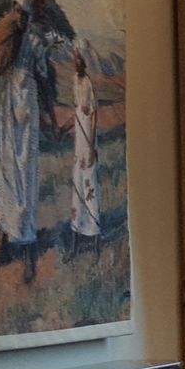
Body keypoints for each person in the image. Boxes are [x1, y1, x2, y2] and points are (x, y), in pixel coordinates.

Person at [0, 0, 60, 283]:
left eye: (23, 13)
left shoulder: (37, 40)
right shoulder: (11, 34)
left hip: (27, 111)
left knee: (26, 176)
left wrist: (50, 119)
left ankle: (26, 252)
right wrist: (8, 32)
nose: (20, 17)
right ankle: (6, 245)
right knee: (9, 175)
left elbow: (43, 83)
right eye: (17, 12)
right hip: (9, 111)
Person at [69, 42, 100, 255]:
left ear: (84, 62)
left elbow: (94, 113)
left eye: (80, 60)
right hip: (78, 139)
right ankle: (76, 237)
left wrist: (91, 144)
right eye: (75, 59)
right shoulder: (74, 80)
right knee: (77, 186)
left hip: (88, 135)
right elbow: (77, 110)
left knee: (90, 185)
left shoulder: (88, 82)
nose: (77, 63)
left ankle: (95, 234)